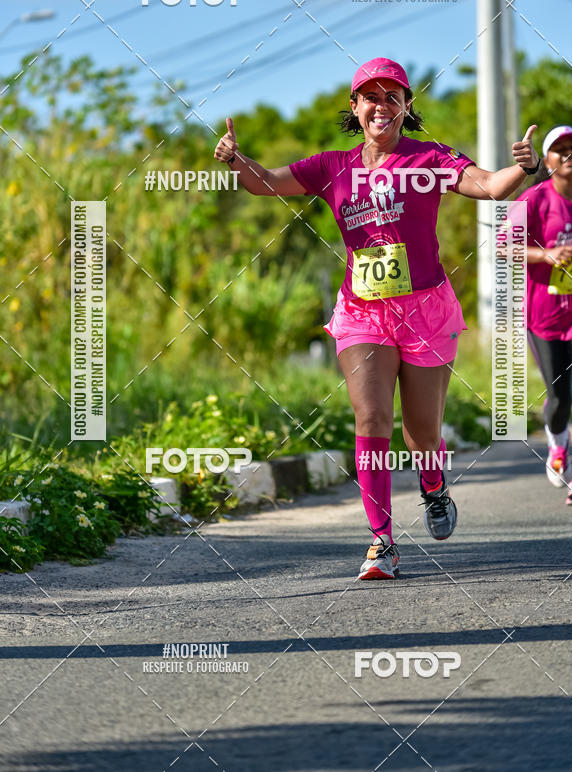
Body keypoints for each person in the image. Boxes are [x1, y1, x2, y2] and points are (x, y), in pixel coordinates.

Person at [214, 57, 540, 579]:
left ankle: (432, 486)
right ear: (355, 107)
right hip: (362, 313)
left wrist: (523, 167)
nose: (381, 105)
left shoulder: (430, 157)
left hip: (425, 309)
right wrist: (237, 160)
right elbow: (266, 183)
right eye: (371, 96)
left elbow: (491, 186)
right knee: (372, 420)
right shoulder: (331, 167)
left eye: (393, 96)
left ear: (407, 107)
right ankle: (381, 541)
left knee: (422, 435)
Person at [515, 125, 572, 506]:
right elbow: (504, 247)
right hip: (545, 314)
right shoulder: (535, 199)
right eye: (559, 149)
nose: (569, 153)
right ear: (546, 161)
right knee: (559, 397)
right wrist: (546, 255)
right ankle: (557, 441)